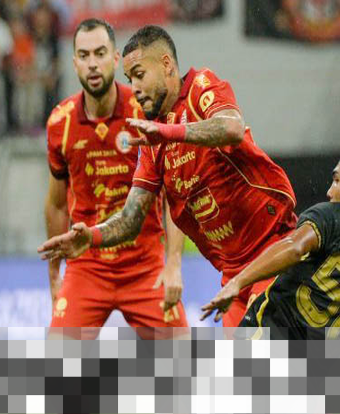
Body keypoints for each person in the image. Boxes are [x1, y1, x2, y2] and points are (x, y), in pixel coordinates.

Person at [38, 25, 298, 329]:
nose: (135, 88)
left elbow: (232, 127)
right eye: (130, 79)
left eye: (139, 74)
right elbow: (130, 219)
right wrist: (92, 236)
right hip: (233, 274)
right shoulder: (151, 142)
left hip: (273, 251)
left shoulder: (201, 87)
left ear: (166, 65)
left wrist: (170, 132)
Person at [43, 19, 188, 340]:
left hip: (145, 265)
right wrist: (54, 274)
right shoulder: (60, 124)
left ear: (115, 58)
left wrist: (174, 263)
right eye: (84, 55)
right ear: (74, 63)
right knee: (54, 362)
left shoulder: (144, 112)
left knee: (185, 361)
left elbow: (173, 192)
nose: (93, 63)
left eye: (100, 53)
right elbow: (56, 205)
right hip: (87, 268)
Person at [201, 143, 340, 340]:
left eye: (337, 181)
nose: (330, 192)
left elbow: (295, 247)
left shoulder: (337, 217)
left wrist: (237, 282)